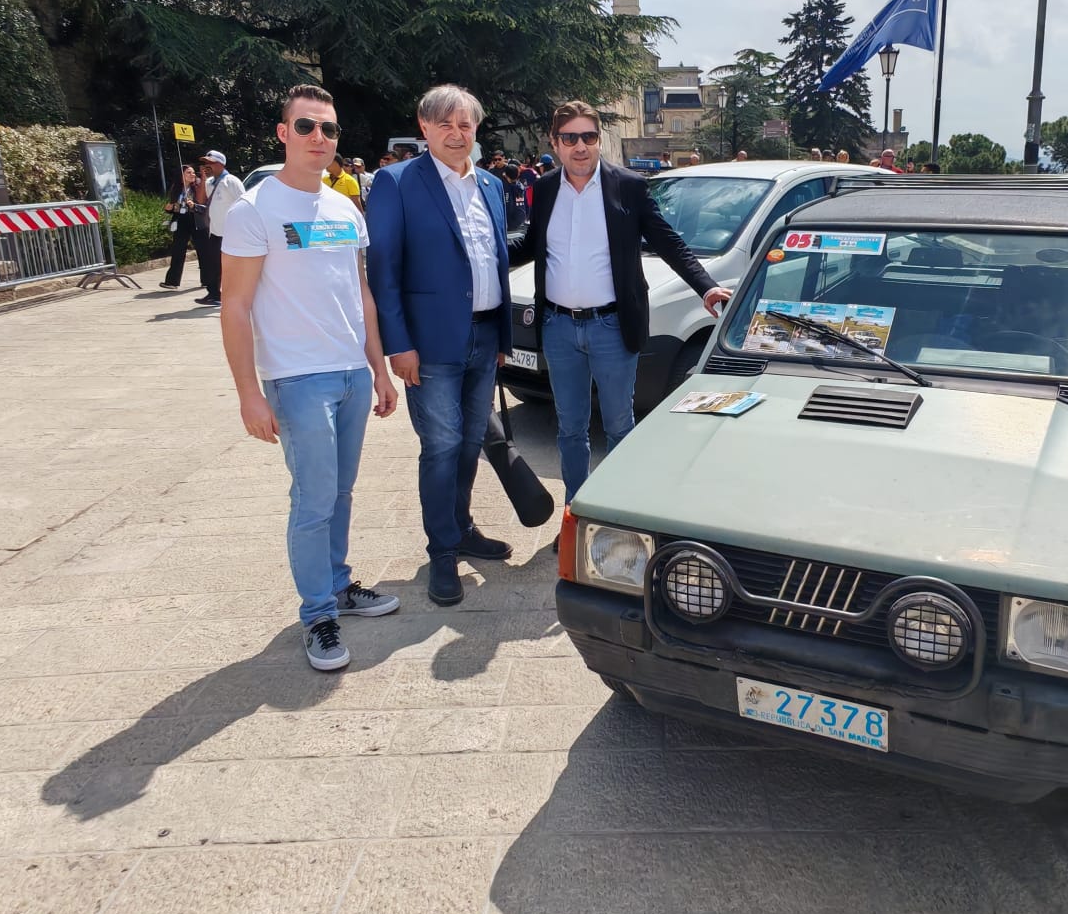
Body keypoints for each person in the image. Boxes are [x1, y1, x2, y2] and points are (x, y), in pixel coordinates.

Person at [219, 84, 401, 672]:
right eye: (306, 126)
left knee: (340, 493)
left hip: (351, 373)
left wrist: (378, 369)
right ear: (283, 133)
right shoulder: (254, 210)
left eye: (329, 128)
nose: (319, 137)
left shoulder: (345, 208)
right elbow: (234, 306)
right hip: (297, 379)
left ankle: (339, 585)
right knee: (313, 498)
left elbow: (360, 293)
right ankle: (318, 614)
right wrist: (248, 393)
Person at [511, 100, 730, 501]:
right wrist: (481, 257)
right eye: (570, 138)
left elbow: (667, 241)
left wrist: (706, 286)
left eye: (589, 136)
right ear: (555, 143)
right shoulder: (544, 189)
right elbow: (530, 245)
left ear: (599, 140)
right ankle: (576, 508)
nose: (580, 146)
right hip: (558, 328)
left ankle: (616, 508)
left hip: (612, 326)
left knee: (618, 425)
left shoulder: (627, 186)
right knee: (570, 428)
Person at [368, 84, 515, 607]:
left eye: (465, 124)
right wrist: (398, 345)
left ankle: (463, 527)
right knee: (442, 446)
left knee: (471, 441)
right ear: (424, 127)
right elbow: (383, 270)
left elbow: (495, 260)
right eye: (445, 124)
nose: (457, 134)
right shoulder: (396, 182)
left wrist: (503, 337)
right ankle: (443, 552)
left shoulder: (491, 185)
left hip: (485, 336)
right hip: (428, 345)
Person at [193, 151, 245, 306]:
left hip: (231, 233)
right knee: (213, 264)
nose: (207, 166)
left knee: (230, 266)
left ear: (220, 164)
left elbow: (244, 203)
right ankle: (214, 294)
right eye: (205, 163)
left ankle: (234, 294)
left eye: (210, 163)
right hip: (216, 231)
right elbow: (200, 199)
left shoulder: (231, 181)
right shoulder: (209, 182)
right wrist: (203, 178)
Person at [160, 164, 200, 289]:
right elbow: (173, 207)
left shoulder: (198, 187)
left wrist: (194, 205)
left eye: (193, 172)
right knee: (178, 250)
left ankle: (208, 280)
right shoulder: (176, 189)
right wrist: (169, 208)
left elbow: (203, 204)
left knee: (202, 250)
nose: (192, 175)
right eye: (189, 172)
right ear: (181, 175)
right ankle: (172, 281)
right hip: (181, 220)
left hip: (195, 219)